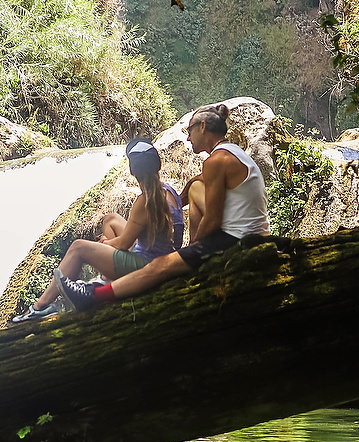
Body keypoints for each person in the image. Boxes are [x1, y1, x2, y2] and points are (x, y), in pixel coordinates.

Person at [56, 103, 268, 312]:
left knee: (159, 266)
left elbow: (213, 219)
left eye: (189, 130)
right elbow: (195, 186)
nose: (187, 137)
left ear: (202, 126)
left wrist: (191, 249)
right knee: (195, 187)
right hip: (251, 232)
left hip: (237, 238)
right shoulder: (232, 153)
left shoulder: (217, 160)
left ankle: (93, 296)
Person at [9, 138, 184, 323]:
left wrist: (107, 244)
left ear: (133, 170)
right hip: (162, 258)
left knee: (78, 248)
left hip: (146, 266)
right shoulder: (169, 192)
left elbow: (124, 243)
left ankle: (40, 307)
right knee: (111, 219)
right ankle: (105, 277)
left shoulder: (146, 201)